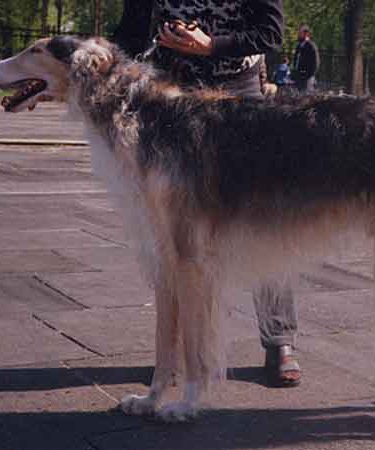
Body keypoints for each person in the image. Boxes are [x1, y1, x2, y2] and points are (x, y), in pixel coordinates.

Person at [114, 0, 301, 388]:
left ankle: (279, 339)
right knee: (174, 235)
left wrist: (211, 44)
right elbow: (128, 37)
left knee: (264, 223)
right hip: (171, 96)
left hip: (238, 95)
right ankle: (176, 354)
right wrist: (74, 77)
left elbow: (270, 34)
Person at [292, 24, 319, 94]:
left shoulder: (311, 46)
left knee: (307, 96)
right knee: (299, 96)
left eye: (300, 32)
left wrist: (311, 75)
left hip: (307, 77)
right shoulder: (299, 46)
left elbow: (316, 62)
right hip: (299, 76)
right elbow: (296, 61)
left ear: (306, 34)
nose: (298, 34)